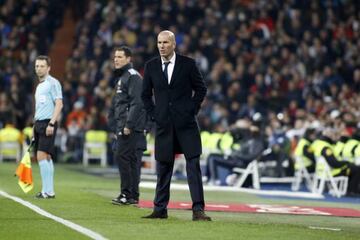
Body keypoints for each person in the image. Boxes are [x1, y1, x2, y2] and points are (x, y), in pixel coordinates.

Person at [141, 30, 211, 221]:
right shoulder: (151, 66)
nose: (161, 46)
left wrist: (192, 109)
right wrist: (155, 114)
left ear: (173, 44)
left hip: (186, 124)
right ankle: (160, 209)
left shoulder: (188, 64)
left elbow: (201, 89)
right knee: (164, 168)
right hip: (164, 125)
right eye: (159, 42)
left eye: (165, 42)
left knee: (193, 165)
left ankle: (198, 210)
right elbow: (145, 95)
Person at [108, 46, 148, 205]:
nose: (116, 59)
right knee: (129, 160)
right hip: (124, 126)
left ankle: (126, 194)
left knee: (124, 158)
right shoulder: (123, 77)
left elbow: (137, 103)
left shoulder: (132, 76)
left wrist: (128, 125)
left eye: (120, 56)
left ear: (129, 59)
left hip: (130, 128)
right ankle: (131, 195)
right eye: (115, 57)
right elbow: (118, 104)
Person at [33, 55, 63, 199]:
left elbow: (59, 103)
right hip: (39, 123)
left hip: (47, 123)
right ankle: (49, 190)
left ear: (49, 68)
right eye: (37, 66)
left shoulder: (53, 83)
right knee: (47, 157)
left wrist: (51, 123)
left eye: (42, 66)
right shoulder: (40, 85)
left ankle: (47, 191)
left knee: (41, 156)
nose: (39, 68)